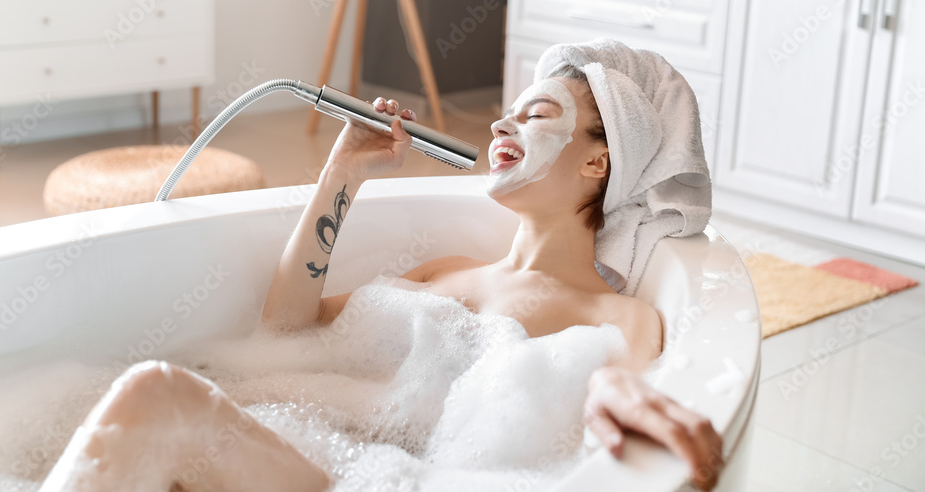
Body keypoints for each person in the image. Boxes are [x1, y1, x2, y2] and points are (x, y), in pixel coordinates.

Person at [38, 68, 724, 492]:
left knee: (157, 398)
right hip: (319, 456)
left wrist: (606, 385)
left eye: (537, 113)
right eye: (508, 110)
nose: (501, 121)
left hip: (373, 479)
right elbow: (285, 325)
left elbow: (619, 378)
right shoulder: (448, 270)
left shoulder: (612, 312)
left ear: (597, 164)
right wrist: (344, 171)